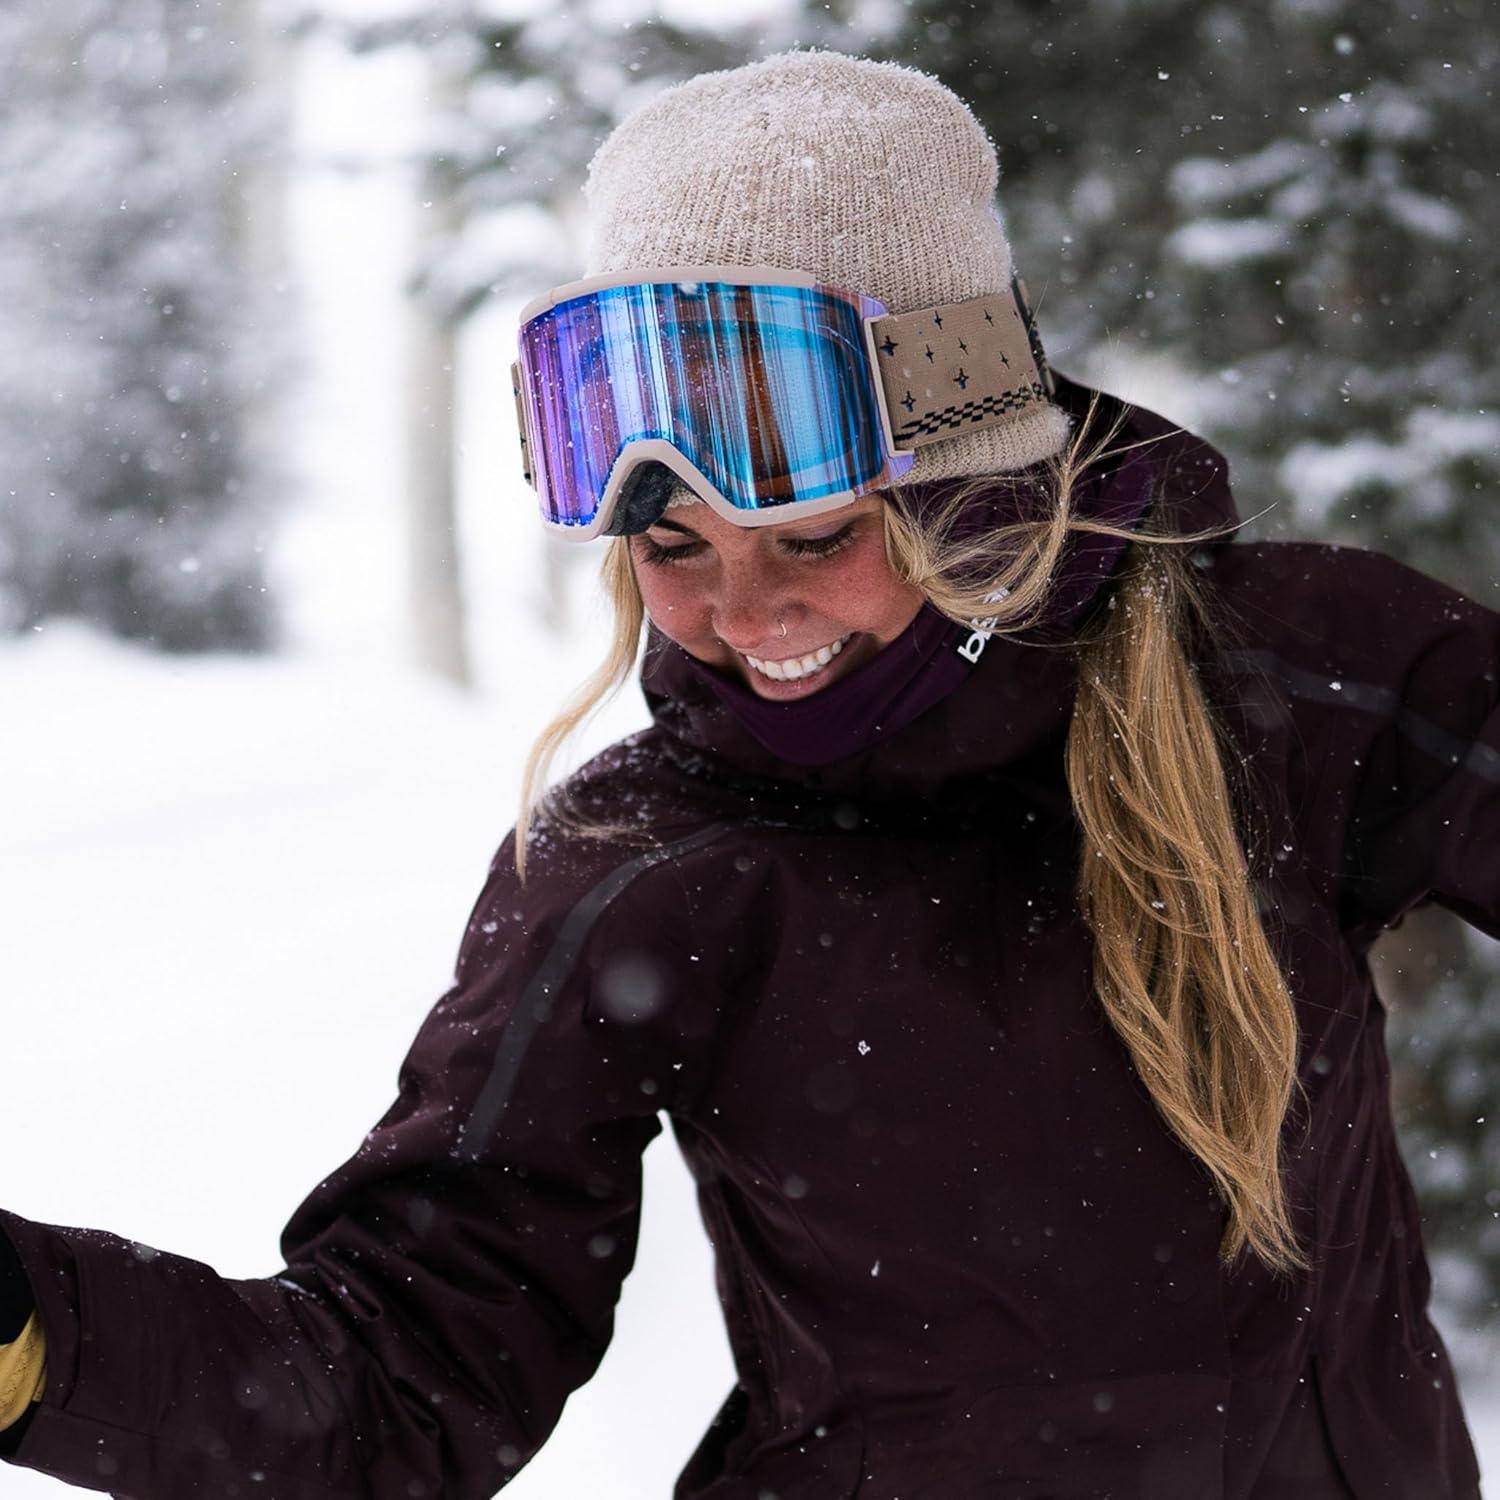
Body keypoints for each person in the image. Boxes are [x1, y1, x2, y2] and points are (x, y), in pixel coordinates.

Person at [0, 46, 1493, 1500]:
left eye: (814, 539)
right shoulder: (648, 865)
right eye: (672, 550)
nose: (747, 617)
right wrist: (29, 1341)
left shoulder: (1290, 686)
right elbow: (396, 1378)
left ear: (970, 494)